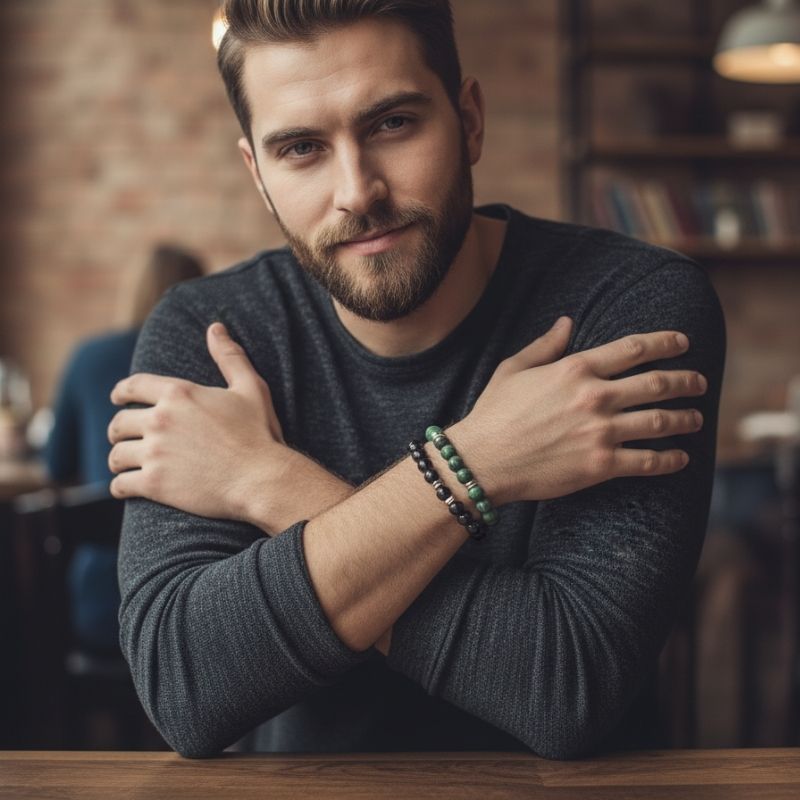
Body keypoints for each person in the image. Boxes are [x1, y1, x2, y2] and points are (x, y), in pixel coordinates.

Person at [107, 0, 725, 759]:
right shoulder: (209, 331)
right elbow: (187, 688)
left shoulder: (628, 305)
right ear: (258, 174)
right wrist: (477, 465)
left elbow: (568, 686)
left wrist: (263, 481)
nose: (357, 191)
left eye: (393, 124)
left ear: (468, 120)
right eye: (301, 148)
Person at [44, 244, 204, 651]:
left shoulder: (90, 357)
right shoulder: (213, 361)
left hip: (100, 601)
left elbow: (56, 464)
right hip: (192, 600)